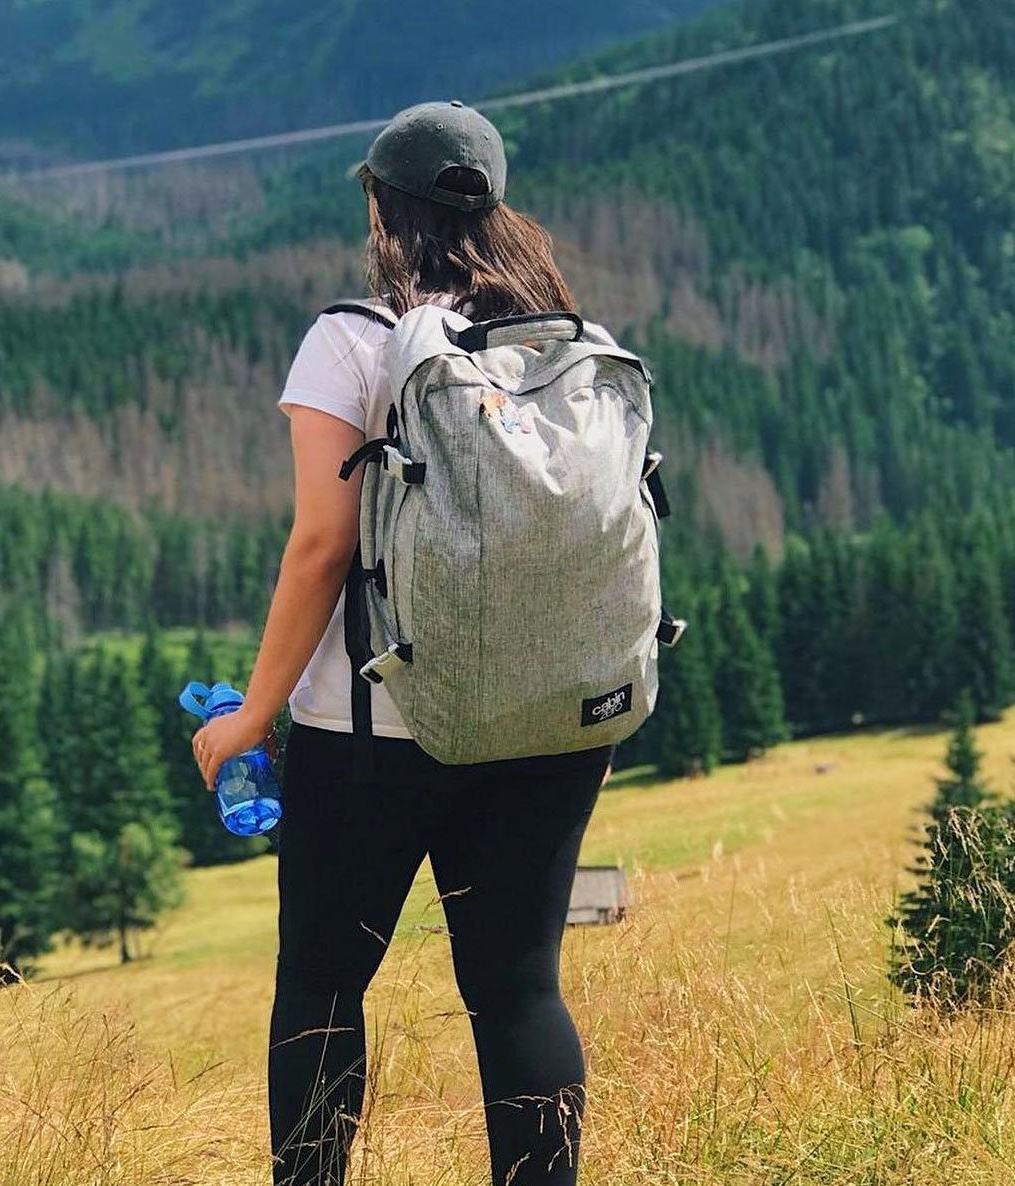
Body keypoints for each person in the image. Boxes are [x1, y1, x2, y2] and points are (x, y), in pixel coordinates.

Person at [190, 100, 616, 1186]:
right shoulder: (560, 344)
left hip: (373, 728)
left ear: (384, 206)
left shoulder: (354, 336)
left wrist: (251, 710)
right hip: (550, 720)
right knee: (519, 989)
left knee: (325, 984)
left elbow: (320, 547)